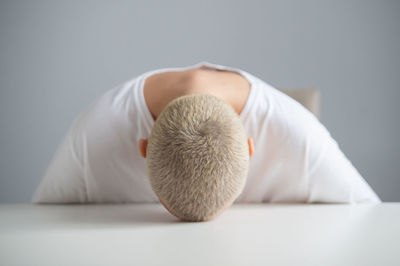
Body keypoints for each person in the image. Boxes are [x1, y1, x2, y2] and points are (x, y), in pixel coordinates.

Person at [32, 61, 381, 222]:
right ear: (144, 148)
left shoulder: (301, 139)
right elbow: (36, 223)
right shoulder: (93, 138)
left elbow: (375, 221)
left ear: (249, 148)